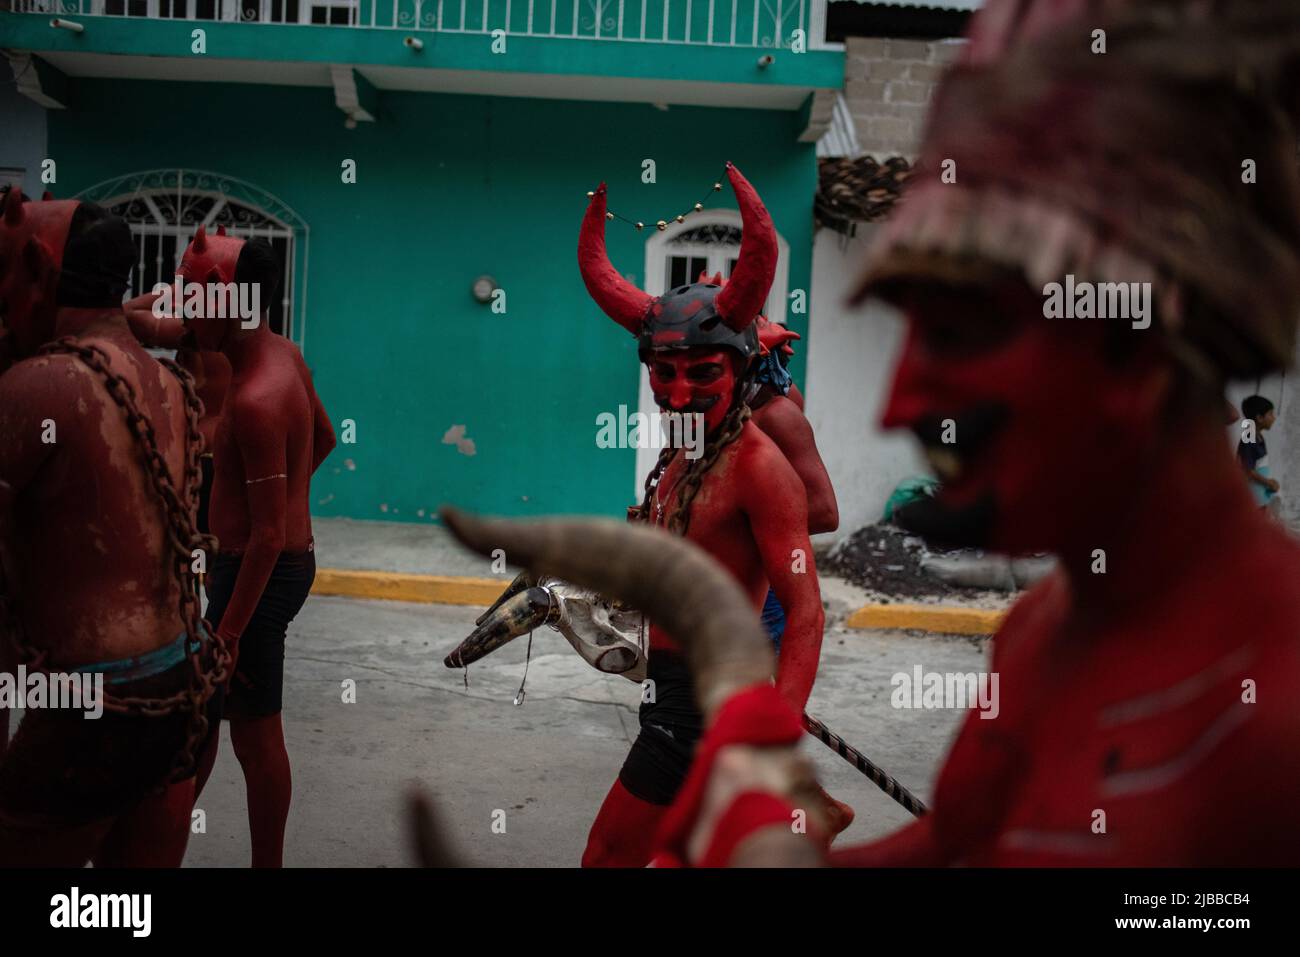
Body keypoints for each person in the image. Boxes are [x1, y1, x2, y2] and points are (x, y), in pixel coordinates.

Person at [519, 0, 1300, 867]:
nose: (896, 407)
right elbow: (948, 846)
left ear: (1140, 342)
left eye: (959, 333)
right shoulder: (1045, 634)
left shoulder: (1271, 717)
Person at [575, 164, 829, 866]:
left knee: (607, 856)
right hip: (671, 688)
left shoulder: (760, 468)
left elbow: (805, 611)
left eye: (703, 373)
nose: (679, 393)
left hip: (704, 706)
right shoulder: (686, 450)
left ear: (739, 369)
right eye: (665, 372)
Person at [0, 190, 228, 866]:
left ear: (38, 267)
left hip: (88, 710)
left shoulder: (39, 386)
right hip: (174, 689)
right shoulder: (166, 385)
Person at [178, 225, 336, 868]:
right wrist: (285, 501)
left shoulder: (252, 399)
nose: (186, 314)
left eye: (191, 297)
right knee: (214, 723)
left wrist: (231, 629)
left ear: (224, 297)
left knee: (249, 732)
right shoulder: (286, 355)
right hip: (272, 565)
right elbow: (325, 439)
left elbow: (267, 534)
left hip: (256, 574)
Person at [1237, 395, 1280, 511]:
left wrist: (1268, 483)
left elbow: (1258, 466)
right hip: (1251, 498)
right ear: (1260, 418)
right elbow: (1247, 470)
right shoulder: (1249, 437)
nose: (1274, 418)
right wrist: (1268, 482)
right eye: (1270, 414)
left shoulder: (1258, 436)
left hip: (1259, 495)